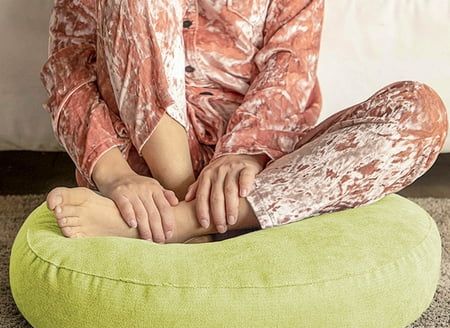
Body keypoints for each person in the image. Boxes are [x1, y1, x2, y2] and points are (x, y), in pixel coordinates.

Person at [40, 0, 448, 245]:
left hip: (255, 174)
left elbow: (290, 68)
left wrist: (244, 154)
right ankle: (187, 200)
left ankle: (181, 224)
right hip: (140, 168)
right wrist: (115, 176)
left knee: (421, 112)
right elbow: (68, 71)